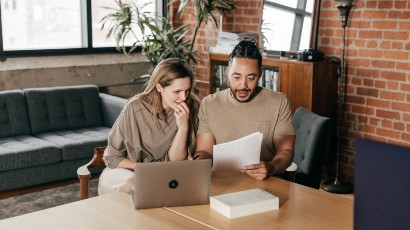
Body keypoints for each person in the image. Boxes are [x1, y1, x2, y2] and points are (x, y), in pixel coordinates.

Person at [194, 40, 296, 180]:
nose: (243, 85)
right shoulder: (209, 104)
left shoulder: (279, 102)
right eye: (237, 77)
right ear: (228, 72)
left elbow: (286, 151)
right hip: (223, 181)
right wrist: (197, 163)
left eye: (251, 78)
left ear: (259, 74)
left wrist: (271, 167)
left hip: (266, 181)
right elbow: (205, 152)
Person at [98, 58, 200, 195]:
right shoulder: (135, 108)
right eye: (177, 91)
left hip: (165, 175)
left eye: (187, 90)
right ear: (159, 87)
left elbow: (176, 162)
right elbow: (111, 158)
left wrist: (183, 128)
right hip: (126, 173)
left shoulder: (192, 107)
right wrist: (146, 169)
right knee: (136, 185)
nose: (183, 97)